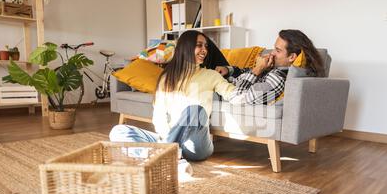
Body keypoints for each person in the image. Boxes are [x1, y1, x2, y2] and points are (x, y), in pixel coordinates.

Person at [110, 30, 236, 162]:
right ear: (186, 47)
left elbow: (232, 93)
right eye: (199, 45)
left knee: (195, 110)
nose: (204, 50)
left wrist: (255, 75)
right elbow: (159, 115)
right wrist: (166, 137)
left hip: (195, 145)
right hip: (168, 137)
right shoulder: (167, 78)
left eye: (206, 46)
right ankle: (168, 156)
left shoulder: (211, 75)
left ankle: (162, 154)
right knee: (118, 131)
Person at [216, 30, 324, 105]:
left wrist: (258, 69)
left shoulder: (277, 80)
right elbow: (247, 72)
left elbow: (237, 97)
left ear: (292, 57)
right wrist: (229, 70)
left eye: (278, 50)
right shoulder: (274, 68)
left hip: (218, 90)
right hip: (222, 78)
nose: (272, 53)